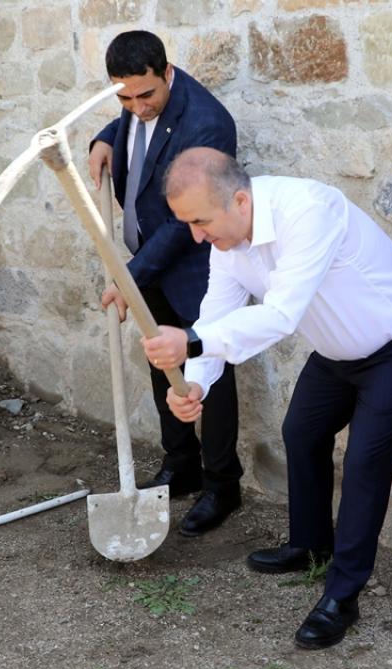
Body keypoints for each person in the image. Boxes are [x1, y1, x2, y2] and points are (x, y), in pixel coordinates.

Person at [144, 148, 392, 649]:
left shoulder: (308, 210)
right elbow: (215, 315)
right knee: (301, 432)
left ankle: (342, 594)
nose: (196, 236)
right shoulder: (226, 243)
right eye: (188, 224)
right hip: (336, 347)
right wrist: (196, 383)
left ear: (240, 201)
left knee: (365, 462)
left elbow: (281, 315)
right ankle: (309, 545)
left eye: (200, 221)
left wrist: (191, 342)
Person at [86, 31, 245, 537]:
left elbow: (183, 223)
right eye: (124, 98)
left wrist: (129, 276)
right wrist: (104, 137)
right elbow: (132, 123)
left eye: (145, 95)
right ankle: (181, 464)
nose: (137, 107)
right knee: (162, 362)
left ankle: (222, 484)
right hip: (150, 263)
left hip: (196, 267)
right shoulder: (137, 103)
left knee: (209, 372)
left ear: (167, 72)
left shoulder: (207, 123)